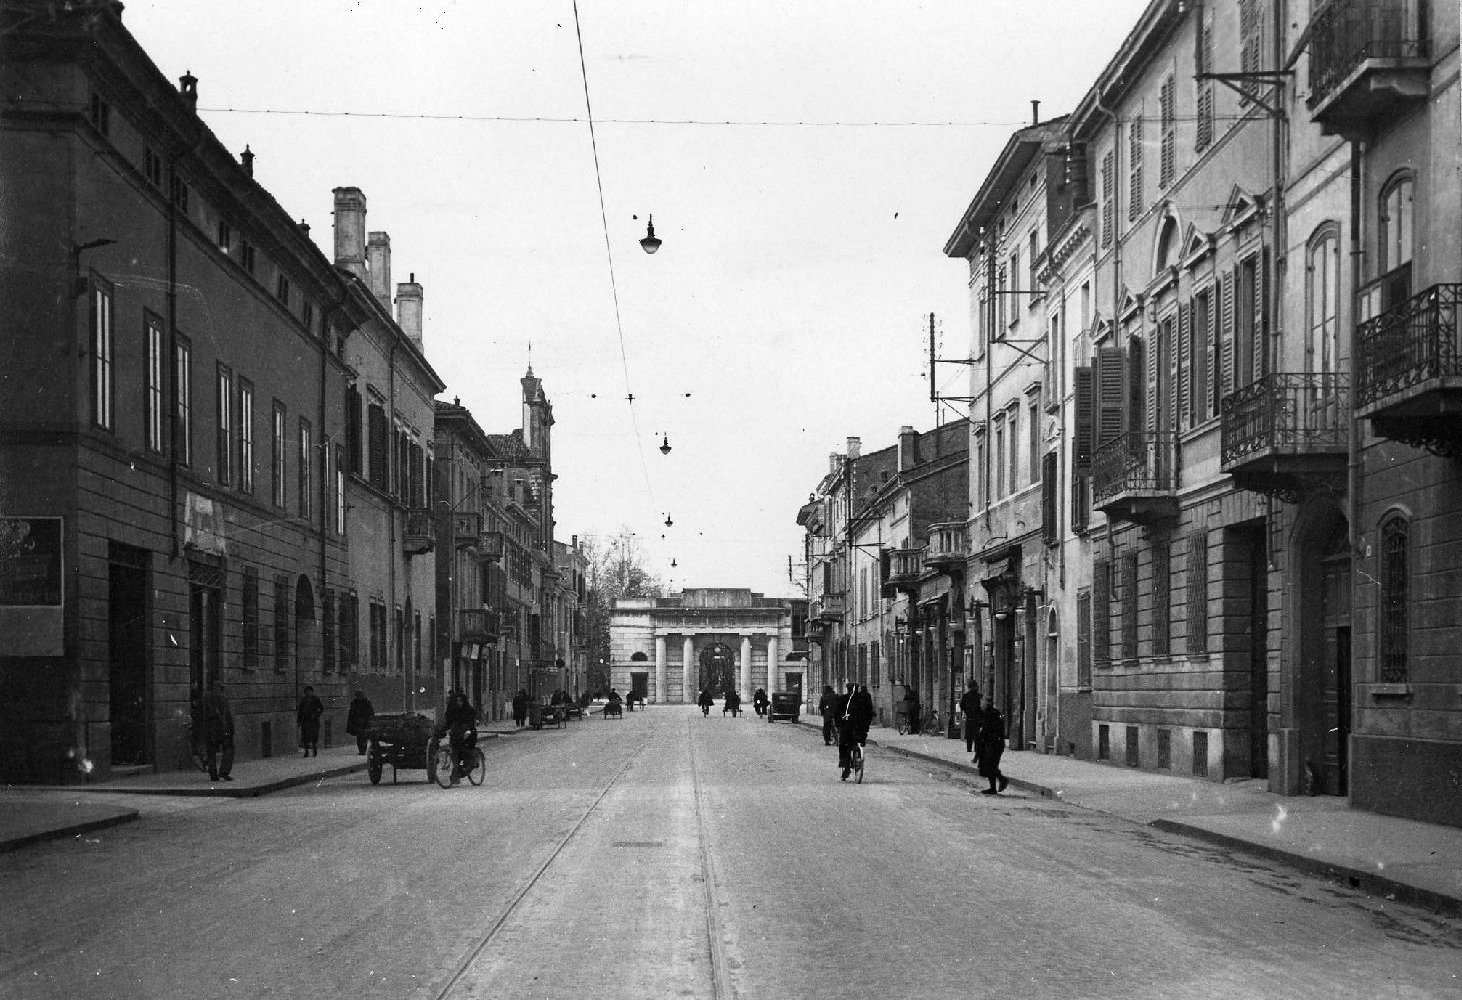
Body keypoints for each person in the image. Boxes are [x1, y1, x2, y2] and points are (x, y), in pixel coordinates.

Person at [836, 682, 873, 781]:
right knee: (859, 742)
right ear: (857, 689)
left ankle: (846, 766)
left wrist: (838, 725)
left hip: (847, 728)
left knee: (843, 745)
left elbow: (837, 713)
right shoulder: (864, 698)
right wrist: (867, 725)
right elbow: (870, 712)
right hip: (860, 729)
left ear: (847, 689)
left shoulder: (843, 699)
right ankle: (858, 754)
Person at [973, 694, 1009, 795]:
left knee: (990, 766)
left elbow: (987, 731)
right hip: (992, 744)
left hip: (993, 745)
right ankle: (995, 786)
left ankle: (1000, 782)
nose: (980, 704)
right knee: (991, 766)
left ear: (987, 703)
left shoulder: (990, 714)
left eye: (982, 702)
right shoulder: (990, 713)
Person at [443, 690, 479, 785]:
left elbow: (471, 724)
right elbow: (448, 723)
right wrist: (445, 730)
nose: (459, 703)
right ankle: (456, 773)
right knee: (455, 754)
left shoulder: (468, 711)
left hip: (468, 734)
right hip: (456, 735)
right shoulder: (453, 711)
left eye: (460, 701)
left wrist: (468, 731)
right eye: (457, 701)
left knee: (467, 752)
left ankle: (469, 765)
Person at [200, 680, 234, 781]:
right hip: (223, 729)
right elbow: (227, 715)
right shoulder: (223, 697)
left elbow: (202, 714)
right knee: (229, 748)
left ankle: (213, 774)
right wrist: (231, 728)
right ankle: (224, 771)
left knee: (211, 751)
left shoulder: (205, 697)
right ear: (220, 688)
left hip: (210, 729)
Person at [296, 685, 324, 757]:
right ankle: (306, 751)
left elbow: (321, 709)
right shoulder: (303, 700)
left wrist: (316, 715)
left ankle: (314, 747)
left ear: (312, 692)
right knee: (305, 736)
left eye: (309, 691)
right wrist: (299, 720)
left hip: (313, 720)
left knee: (314, 735)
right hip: (305, 720)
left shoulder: (316, 699)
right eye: (307, 692)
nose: (308, 693)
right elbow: (300, 711)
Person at [345, 690, 375, 756]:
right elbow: (352, 713)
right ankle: (361, 750)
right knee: (359, 737)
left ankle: (363, 750)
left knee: (363, 737)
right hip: (358, 723)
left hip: (364, 723)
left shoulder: (366, 703)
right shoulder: (355, 703)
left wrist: (365, 719)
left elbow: (371, 713)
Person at [959, 679, 982, 754]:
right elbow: (982, 706)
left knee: (969, 733)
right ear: (975, 687)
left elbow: (961, 705)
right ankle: (976, 748)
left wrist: (966, 711)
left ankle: (969, 748)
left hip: (969, 717)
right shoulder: (979, 696)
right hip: (977, 717)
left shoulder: (966, 696)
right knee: (977, 733)